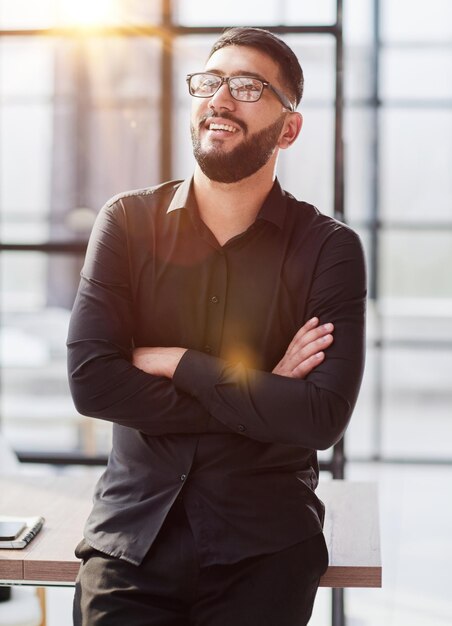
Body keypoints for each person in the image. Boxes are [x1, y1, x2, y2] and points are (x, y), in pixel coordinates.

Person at [68, 26, 366, 626]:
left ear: (289, 128)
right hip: (131, 541)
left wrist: (182, 364)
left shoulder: (329, 249)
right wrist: (259, 388)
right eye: (210, 82)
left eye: (248, 87)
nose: (221, 99)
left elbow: (319, 417)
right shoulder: (127, 223)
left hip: (264, 547)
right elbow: (93, 383)